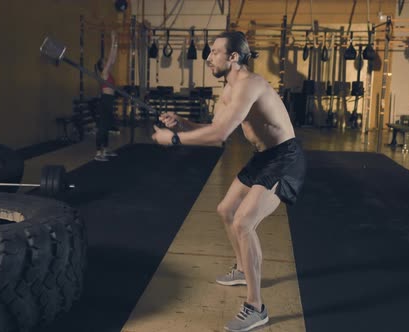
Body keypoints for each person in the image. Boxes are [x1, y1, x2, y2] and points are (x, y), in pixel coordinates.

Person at [152, 31, 306, 332]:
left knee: (243, 223)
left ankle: (255, 307)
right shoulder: (229, 89)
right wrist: (182, 124)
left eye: (214, 53)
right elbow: (214, 128)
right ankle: (241, 267)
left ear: (233, 57)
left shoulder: (250, 86)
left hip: (285, 158)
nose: (208, 58)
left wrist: (173, 138)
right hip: (264, 156)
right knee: (226, 210)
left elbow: (220, 137)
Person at [94, 30, 119, 162]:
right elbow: (110, 59)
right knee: (103, 127)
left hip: (109, 100)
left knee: (107, 125)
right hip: (105, 101)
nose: (107, 62)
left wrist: (116, 43)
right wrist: (113, 39)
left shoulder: (108, 72)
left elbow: (113, 58)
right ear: (102, 65)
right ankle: (98, 152)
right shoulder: (104, 73)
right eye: (104, 61)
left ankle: (105, 150)